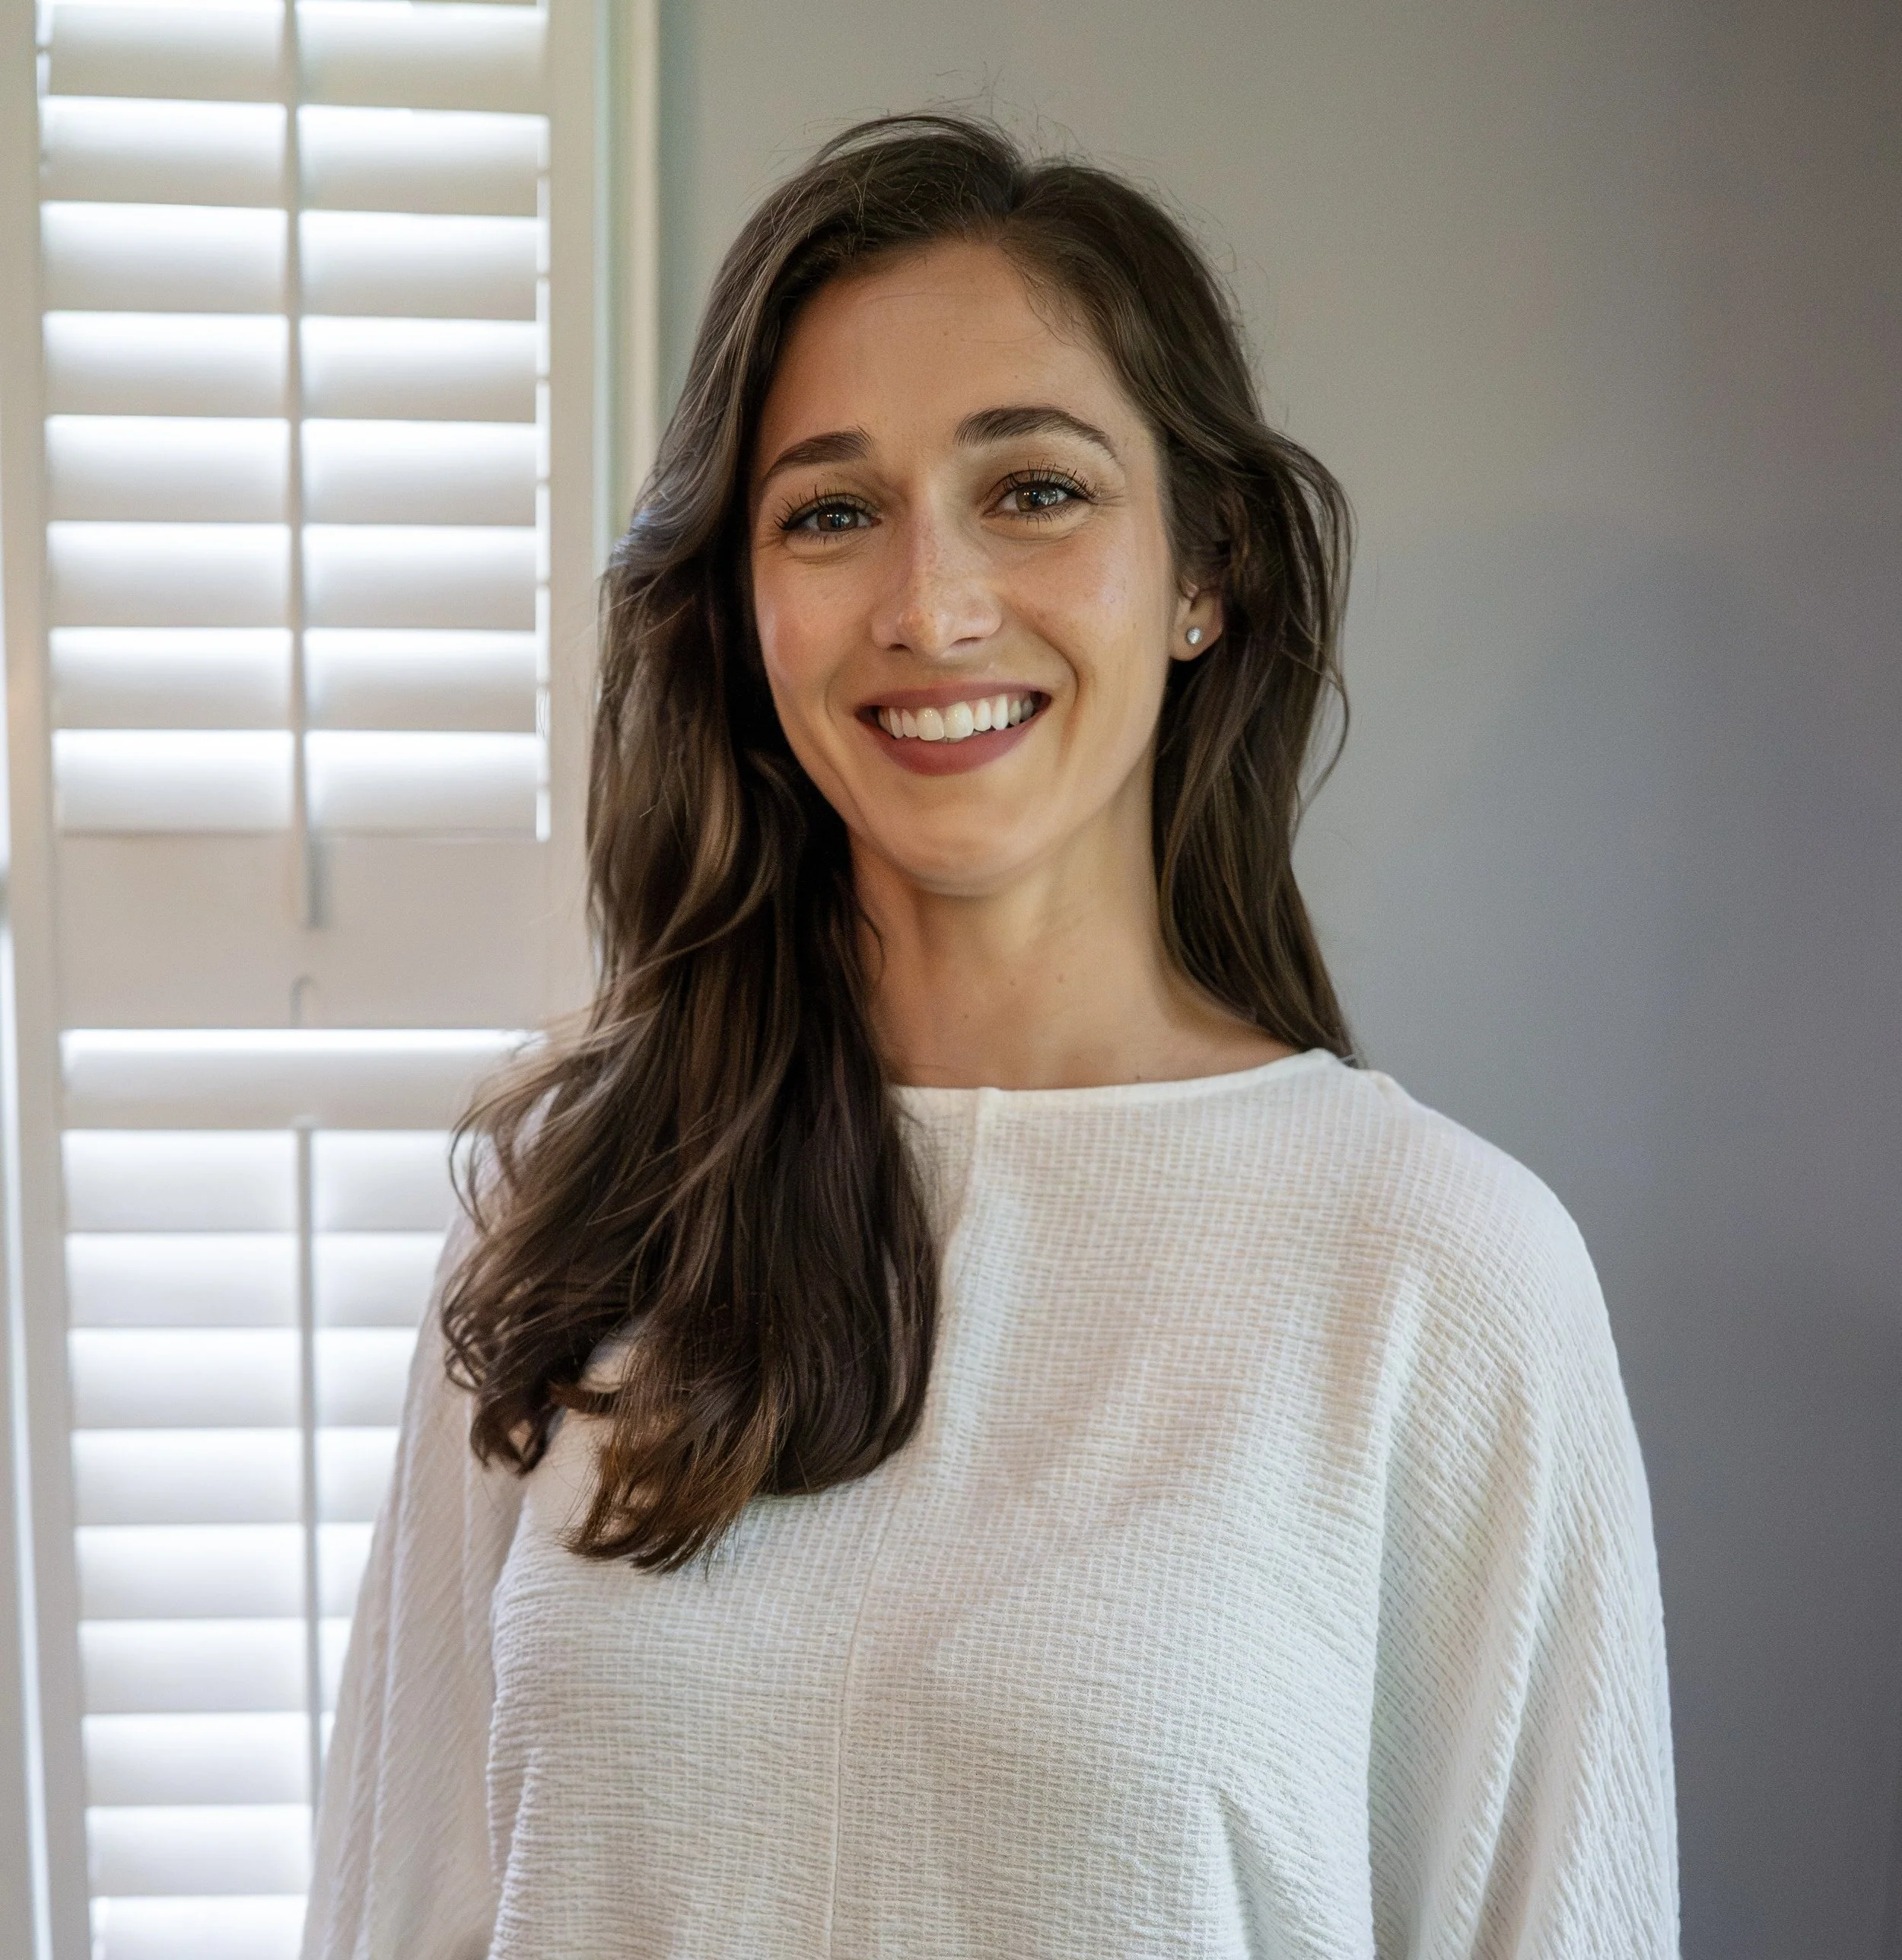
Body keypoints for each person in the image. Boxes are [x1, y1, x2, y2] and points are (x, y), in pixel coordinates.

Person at [303, 113, 1678, 1959]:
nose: (929, 608)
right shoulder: (577, 1216)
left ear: (1209, 570)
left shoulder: (1439, 1274)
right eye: (828, 511)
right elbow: (393, 1917)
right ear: (742, 612)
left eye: (1030, 489)